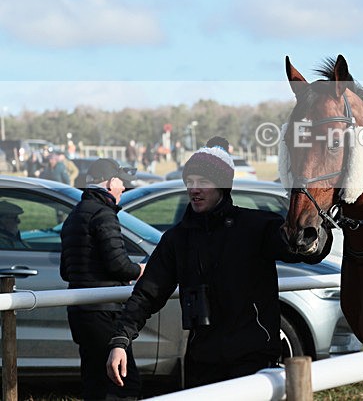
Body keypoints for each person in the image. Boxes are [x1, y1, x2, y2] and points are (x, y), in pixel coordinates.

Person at [106, 137, 333, 389]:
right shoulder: (177, 239)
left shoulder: (256, 227)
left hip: (254, 364)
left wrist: (318, 235)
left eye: (203, 182)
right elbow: (147, 293)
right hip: (201, 366)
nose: (195, 189)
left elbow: (306, 251)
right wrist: (120, 340)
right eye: (190, 182)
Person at [60, 158, 145, 401]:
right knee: (125, 384)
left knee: (94, 384)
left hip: (80, 313)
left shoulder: (74, 215)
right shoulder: (104, 215)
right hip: (104, 313)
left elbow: (66, 271)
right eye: (120, 183)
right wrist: (141, 270)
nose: (123, 189)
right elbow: (119, 266)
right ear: (109, 183)